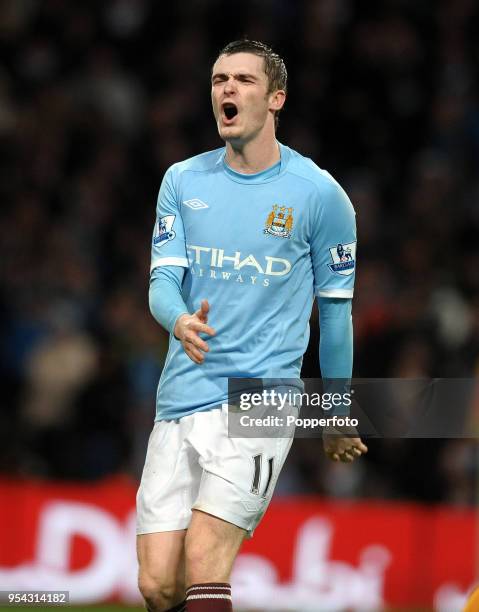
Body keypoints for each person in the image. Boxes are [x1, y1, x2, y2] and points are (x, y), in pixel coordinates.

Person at [136, 39, 368, 612]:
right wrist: (180, 319)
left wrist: (336, 413)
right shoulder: (183, 181)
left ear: (276, 98)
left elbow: (335, 313)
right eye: (219, 80)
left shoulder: (320, 195)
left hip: (262, 398)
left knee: (207, 558)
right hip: (182, 395)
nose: (227, 91)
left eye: (242, 80)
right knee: (158, 584)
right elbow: (161, 283)